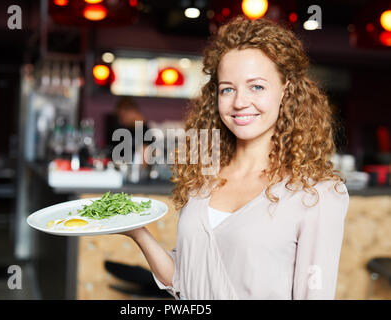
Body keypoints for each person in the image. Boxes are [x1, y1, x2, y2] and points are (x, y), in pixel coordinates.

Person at [118, 16, 349, 300]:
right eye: (228, 89)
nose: (240, 102)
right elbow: (184, 280)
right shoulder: (203, 176)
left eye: (257, 86)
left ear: (285, 89)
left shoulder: (317, 194)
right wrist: (139, 233)